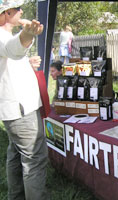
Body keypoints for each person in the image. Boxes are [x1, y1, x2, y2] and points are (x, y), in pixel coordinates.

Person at [0, 0, 49, 199]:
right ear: (6, 12)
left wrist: (26, 63)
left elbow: (8, 60)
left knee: (15, 155)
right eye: (17, 8)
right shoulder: (3, 37)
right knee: (34, 160)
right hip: (21, 111)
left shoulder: (5, 36)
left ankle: (16, 196)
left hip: (16, 110)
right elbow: (12, 49)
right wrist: (28, 33)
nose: (21, 11)